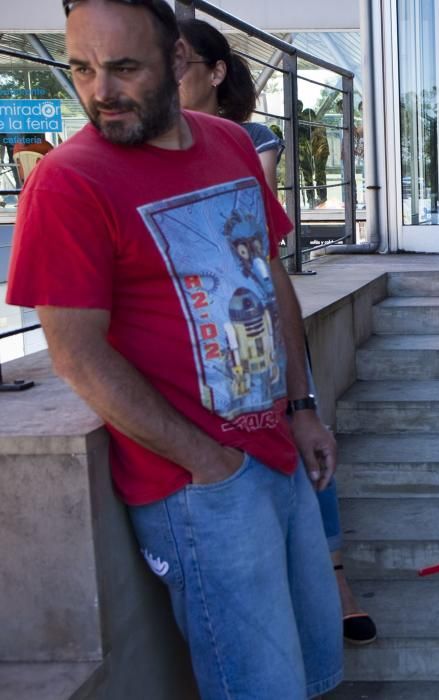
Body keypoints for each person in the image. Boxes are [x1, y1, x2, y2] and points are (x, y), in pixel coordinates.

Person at [5, 1, 343, 697]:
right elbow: (74, 353)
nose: (100, 91)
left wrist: (302, 404)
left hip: (277, 445)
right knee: (256, 686)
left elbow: (268, 273)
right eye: (82, 68)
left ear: (179, 63)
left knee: (311, 665)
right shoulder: (68, 182)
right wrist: (207, 463)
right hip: (198, 487)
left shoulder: (229, 143)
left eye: (124, 68)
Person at [178, 17, 377, 646]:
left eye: (182, 61)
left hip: (254, 310)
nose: (167, 74)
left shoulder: (250, 137)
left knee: (304, 421)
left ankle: (336, 579)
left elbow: (253, 221)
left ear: (215, 72)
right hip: (197, 331)